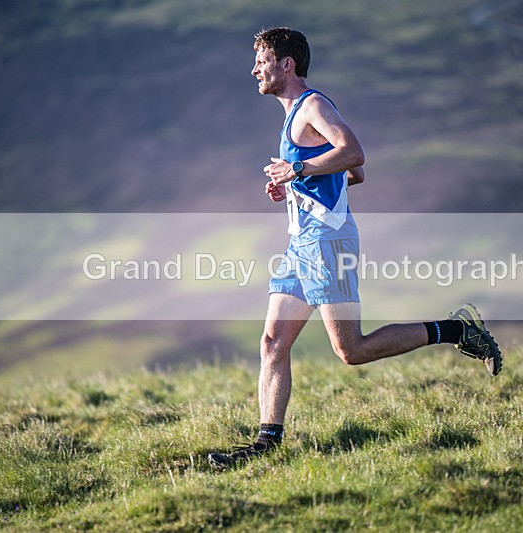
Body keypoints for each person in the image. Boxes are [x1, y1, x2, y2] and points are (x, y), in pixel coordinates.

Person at [207, 27, 502, 470]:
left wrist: (298, 168)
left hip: (328, 240)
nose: (255, 69)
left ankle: (458, 331)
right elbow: (351, 175)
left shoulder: (313, 106)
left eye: (262, 61)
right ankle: (267, 444)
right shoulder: (292, 115)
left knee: (351, 351)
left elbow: (355, 153)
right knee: (271, 343)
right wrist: (297, 183)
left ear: (287, 64)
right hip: (302, 244)